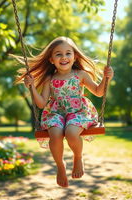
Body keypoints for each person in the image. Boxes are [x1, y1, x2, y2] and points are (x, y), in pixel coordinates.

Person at [14, 36, 113, 188]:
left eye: (68, 53)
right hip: (56, 113)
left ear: (75, 57)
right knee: (55, 134)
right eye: (58, 54)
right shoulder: (49, 78)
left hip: (78, 112)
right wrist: (32, 87)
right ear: (52, 59)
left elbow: (99, 92)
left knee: (71, 132)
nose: (64, 57)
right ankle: (60, 166)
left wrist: (107, 78)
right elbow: (41, 103)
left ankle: (78, 157)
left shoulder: (81, 74)